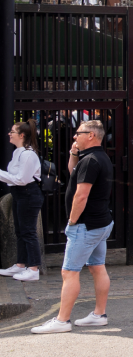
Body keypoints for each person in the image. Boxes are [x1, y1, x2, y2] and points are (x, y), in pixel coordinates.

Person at [31, 120, 113, 334]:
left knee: (69, 272)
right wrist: (73, 154)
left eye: (79, 133)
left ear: (91, 135)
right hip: (100, 223)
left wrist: (72, 222)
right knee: (97, 267)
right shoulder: (96, 157)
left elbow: (81, 194)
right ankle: (99, 314)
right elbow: (72, 173)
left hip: (85, 226)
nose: (75, 136)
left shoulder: (91, 161)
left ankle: (62, 320)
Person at [0, 120, 43, 282]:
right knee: (20, 231)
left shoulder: (27, 154)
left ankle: (33, 268)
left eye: (12, 132)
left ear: (21, 135)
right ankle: (20, 265)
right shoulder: (18, 152)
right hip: (20, 193)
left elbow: (22, 179)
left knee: (28, 232)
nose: (9, 134)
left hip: (28, 193)